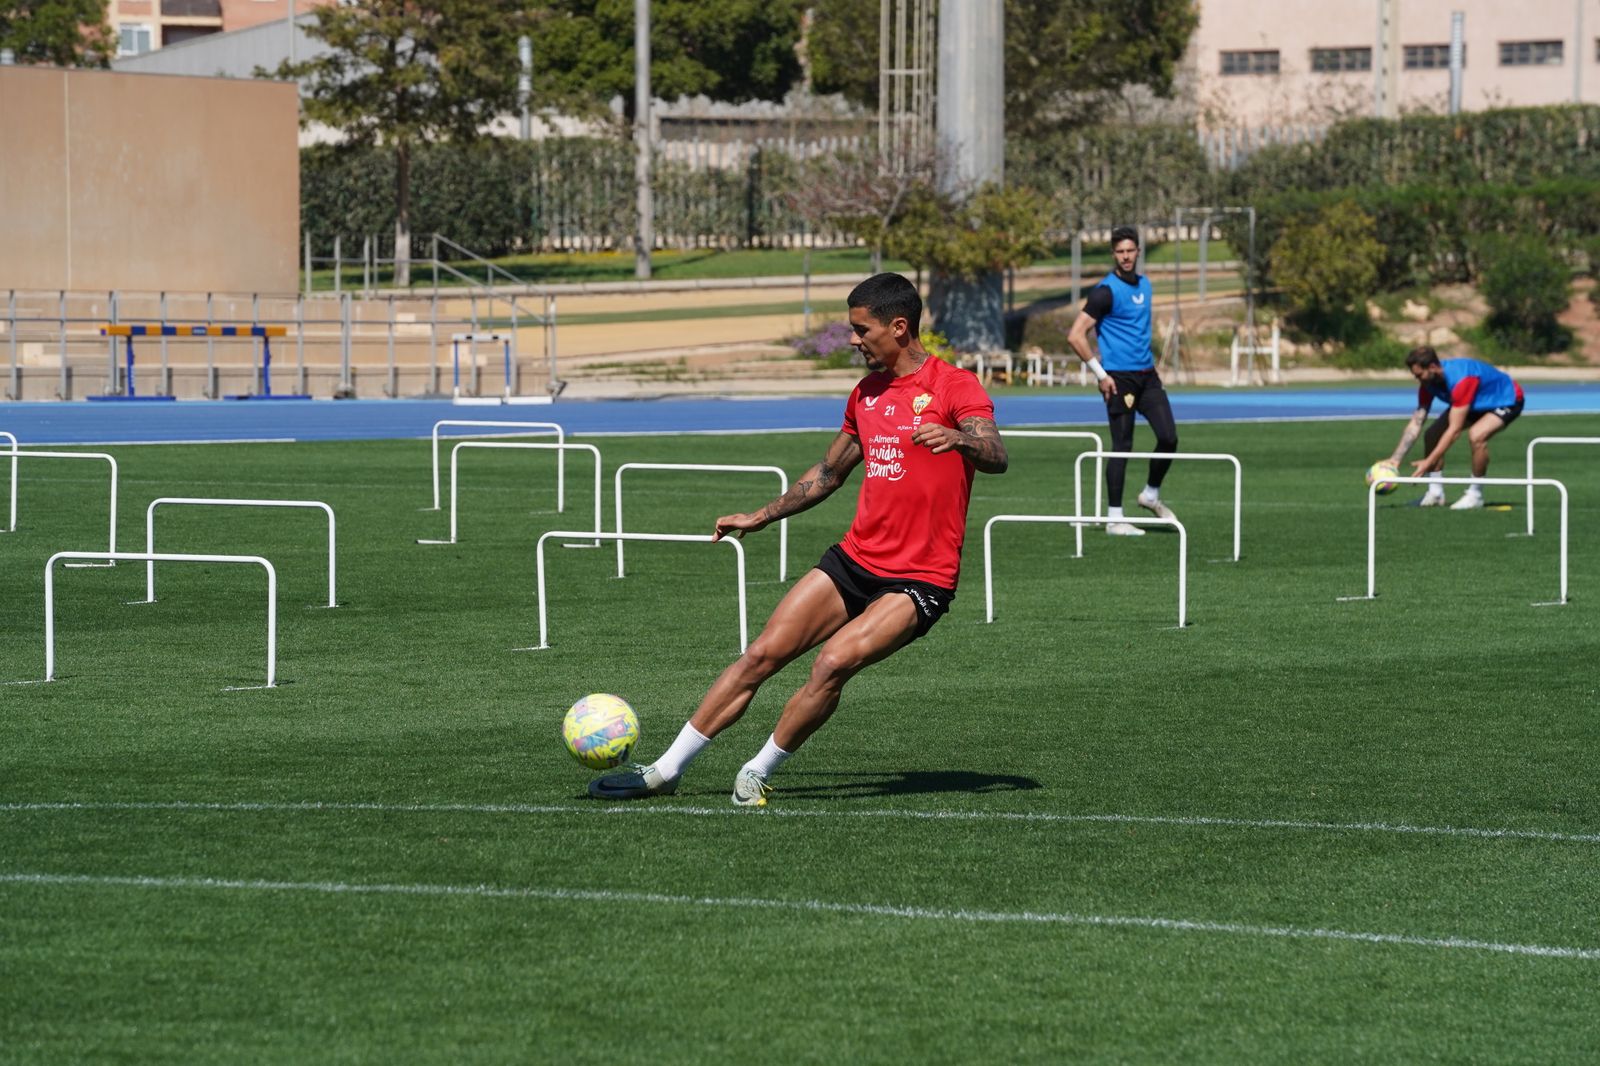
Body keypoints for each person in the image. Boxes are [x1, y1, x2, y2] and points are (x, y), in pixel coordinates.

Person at [588, 272, 1008, 807]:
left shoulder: (955, 386)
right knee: (760, 655)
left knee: (832, 664)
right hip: (856, 559)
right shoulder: (866, 394)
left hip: (920, 579)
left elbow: (997, 454)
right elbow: (830, 473)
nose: (853, 340)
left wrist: (958, 439)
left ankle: (757, 771)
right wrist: (762, 516)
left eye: (862, 329)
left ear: (899, 327)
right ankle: (665, 771)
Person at [1066, 225, 1179, 536]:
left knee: (1169, 437)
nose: (1126, 256)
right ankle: (1115, 518)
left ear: (1138, 251)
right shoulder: (1105, 292)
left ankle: (1151, 495)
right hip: (1119, 379)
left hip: (1148, 376)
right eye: (1120, 252)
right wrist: (1101, 375)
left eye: (1130, 250)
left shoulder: (1145, 284)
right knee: (1122, 445)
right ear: (1113, 254)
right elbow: (1075, 335)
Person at [1382, 346, 1525, 509]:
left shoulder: (1462, 380)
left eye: (1420, 375)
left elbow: (1454, 431)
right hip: (1474, 403)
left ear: (1432, 367)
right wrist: (1396, 459)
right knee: (1432, 435)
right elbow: (1417, 421)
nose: (1418, 380)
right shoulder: (1428, 383)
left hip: (1506, 400)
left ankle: (1475, 495)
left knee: (1477, 436)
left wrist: (1429, 461)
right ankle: (1435, 494)